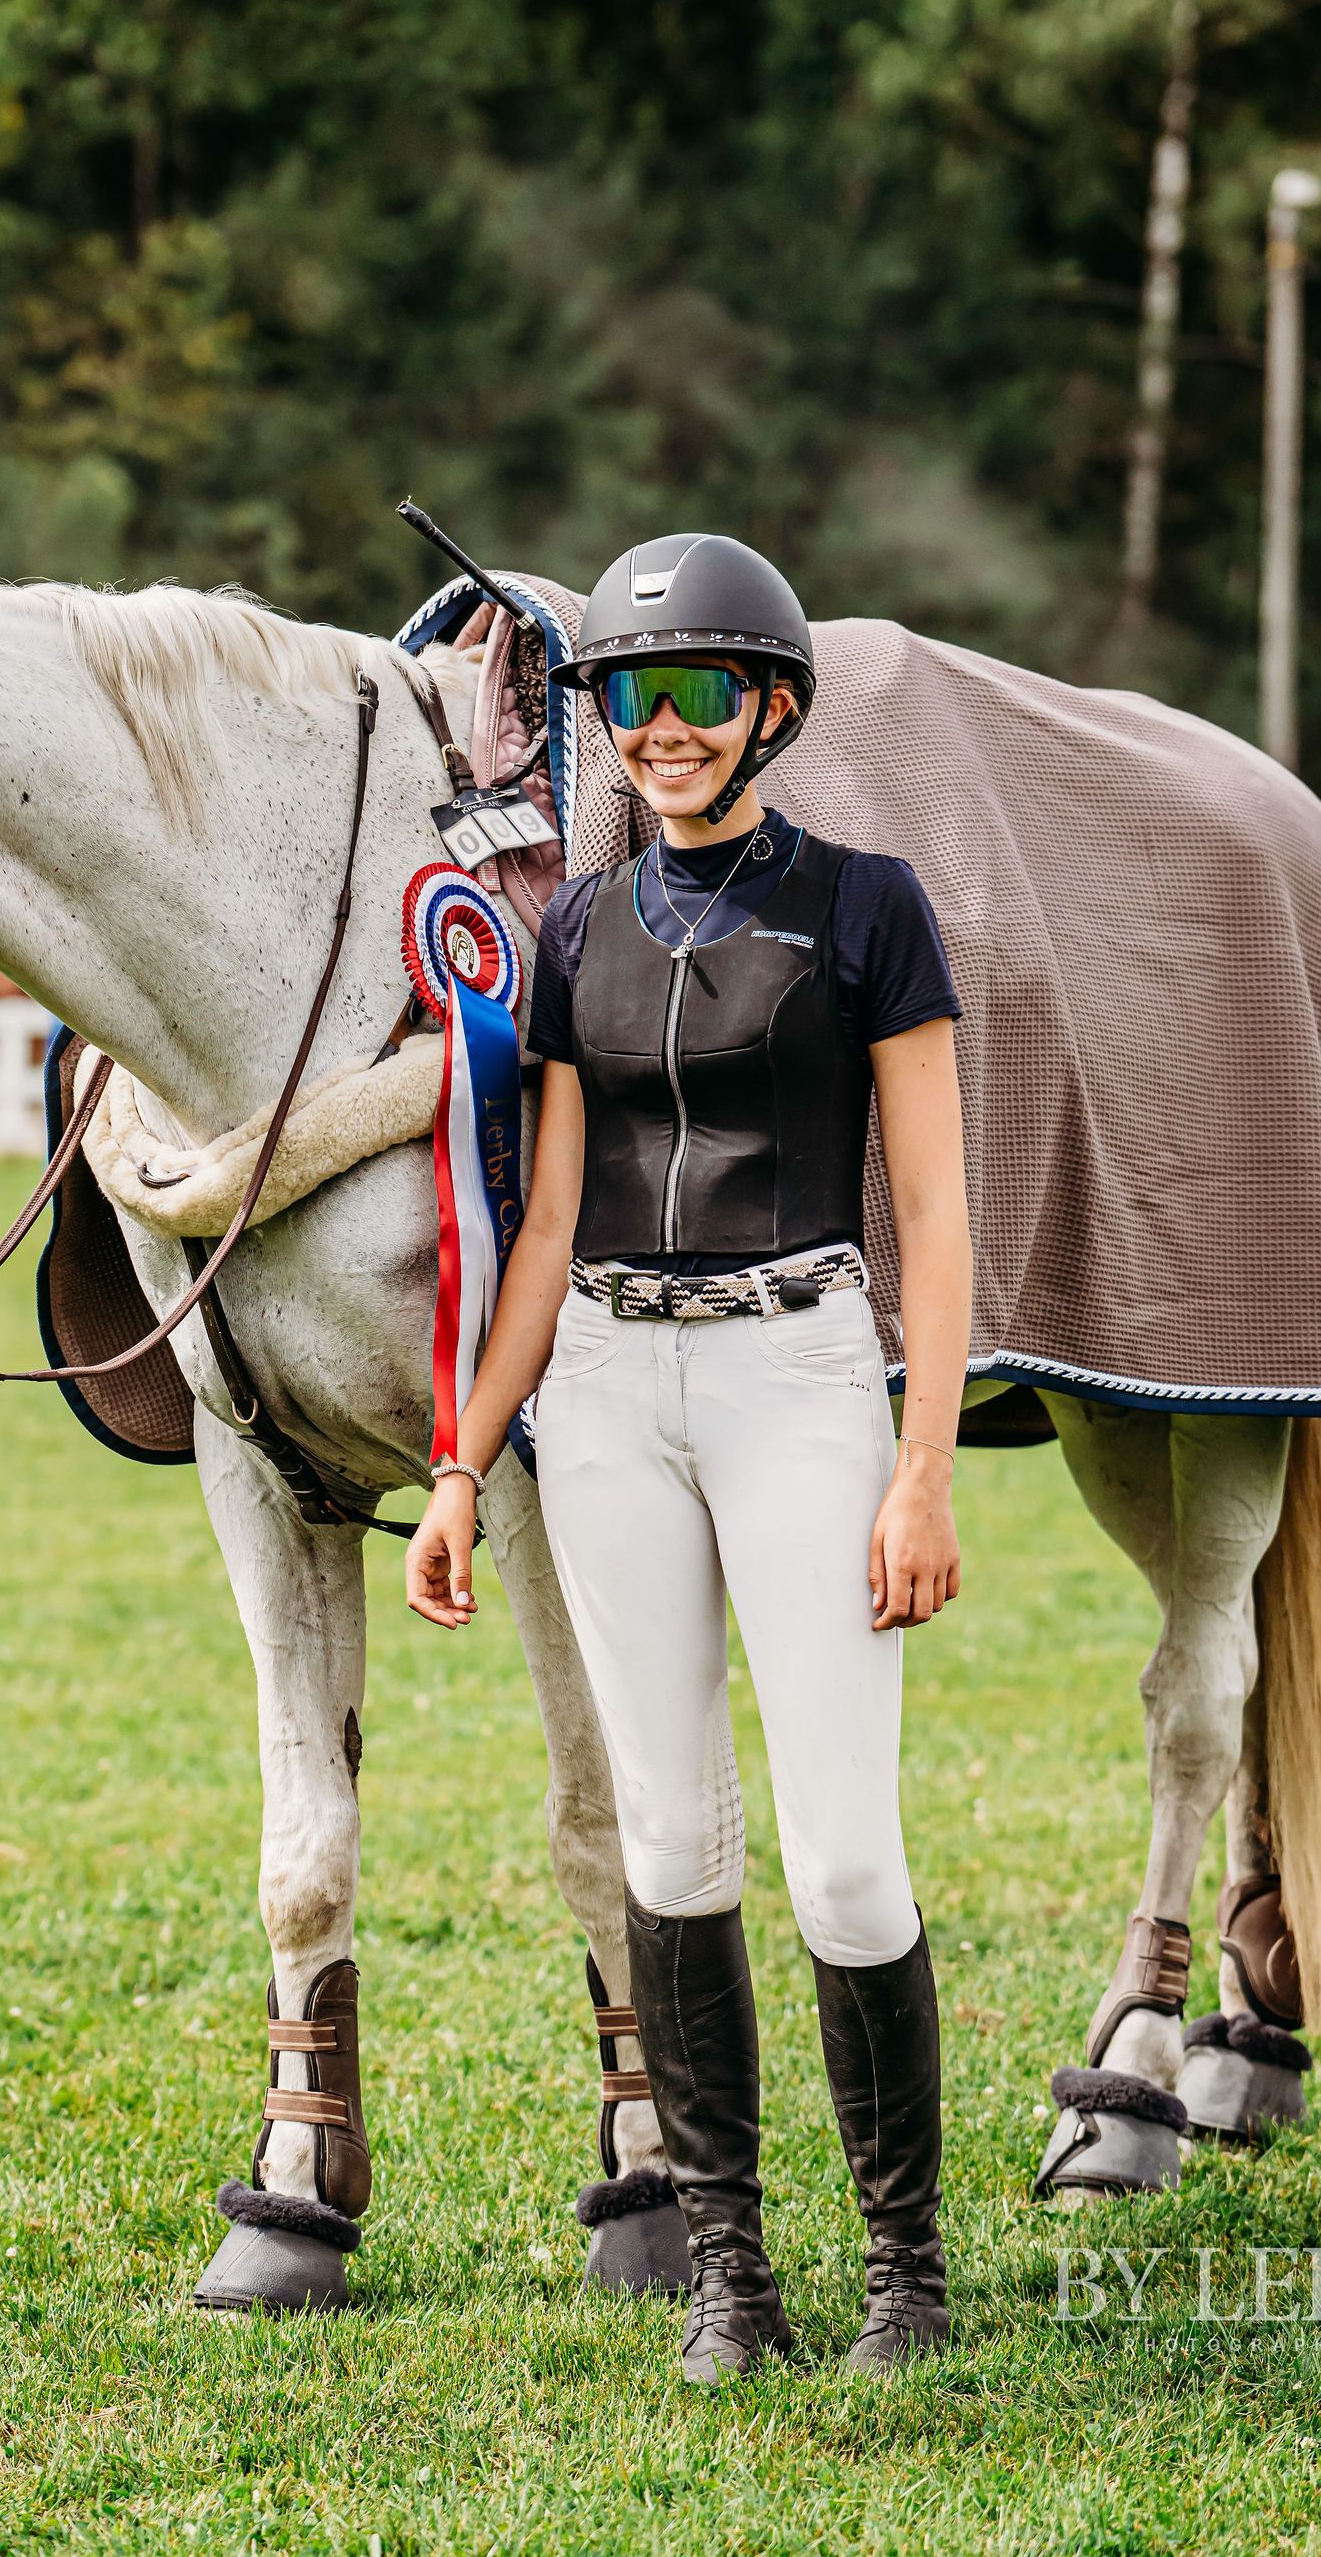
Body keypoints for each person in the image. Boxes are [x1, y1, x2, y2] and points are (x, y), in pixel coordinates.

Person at [405, 533, 972, 2384]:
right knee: (668, 1842)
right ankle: (735, 2276)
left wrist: (924, 1471)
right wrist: (461, 1465)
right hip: (606, 1399)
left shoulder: (872, 908)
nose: (652, 729)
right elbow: (549, 1226)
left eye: (691, 694)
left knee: (848, 1869)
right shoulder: (574, 928)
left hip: (802, 1374)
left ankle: (904, 2271)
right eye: (625, 698)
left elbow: (939, 1222)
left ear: (770, 711)